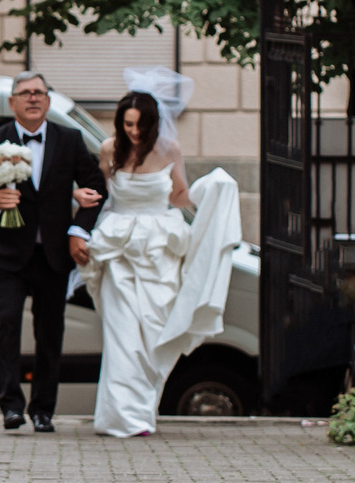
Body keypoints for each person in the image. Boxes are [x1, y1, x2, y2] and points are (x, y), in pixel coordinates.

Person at [81, 76, 241, 438]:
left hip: (159, 249)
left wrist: (213, 190)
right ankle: (121, 419)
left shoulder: (169, 149)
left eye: (140, 124)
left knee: (154, 334)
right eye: (128, 124)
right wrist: (81, 202)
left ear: (153, 123)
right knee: (122, 335)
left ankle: (142, 412)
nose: (134, 131)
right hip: (119, 248)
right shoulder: (110, 149)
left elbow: (179, 196)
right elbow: (102, 192)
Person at [0, 73, 106, 432]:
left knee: (50, 331)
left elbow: (95, 185)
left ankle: (44, 410)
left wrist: (78, 228)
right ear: (12, 102)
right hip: (7, 256)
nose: (33, 99)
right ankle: (11, 406)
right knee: (8, 323)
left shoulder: (69, 139)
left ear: (48, 100)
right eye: (25, 93)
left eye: (39, 93)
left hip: (53, 255)